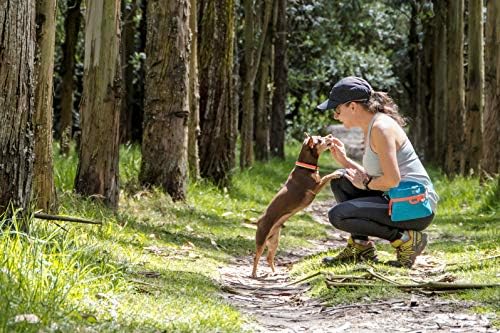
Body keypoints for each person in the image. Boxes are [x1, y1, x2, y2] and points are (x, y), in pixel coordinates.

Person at [317, 76, 439, 268]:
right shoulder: (373, 125)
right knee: (342, 179)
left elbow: (391, 180)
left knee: (338, 215)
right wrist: (345, 160)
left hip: (415, 207)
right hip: (396, 198)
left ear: (353, 106)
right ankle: (360, 246)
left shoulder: (382, 128)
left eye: (337, 109)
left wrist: (364, 184)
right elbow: (378, 176)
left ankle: (406, 240)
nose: (335, 116)